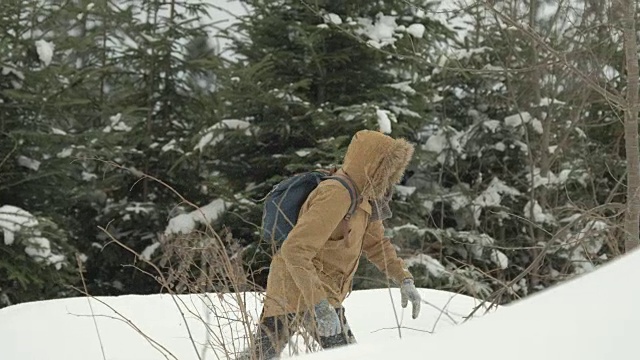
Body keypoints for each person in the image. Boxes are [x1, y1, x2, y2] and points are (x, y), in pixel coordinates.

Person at [240, 129, 422, 359]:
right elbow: (294, 251)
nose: (388, 177)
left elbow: (377, 244)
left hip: (315, 291)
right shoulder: (336, 195)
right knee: (347, 354)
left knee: (260, 356)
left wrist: (403, 278)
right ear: (371, 165)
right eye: (386, 168)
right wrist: (319, 306)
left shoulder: (364, 199)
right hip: (302, 289)